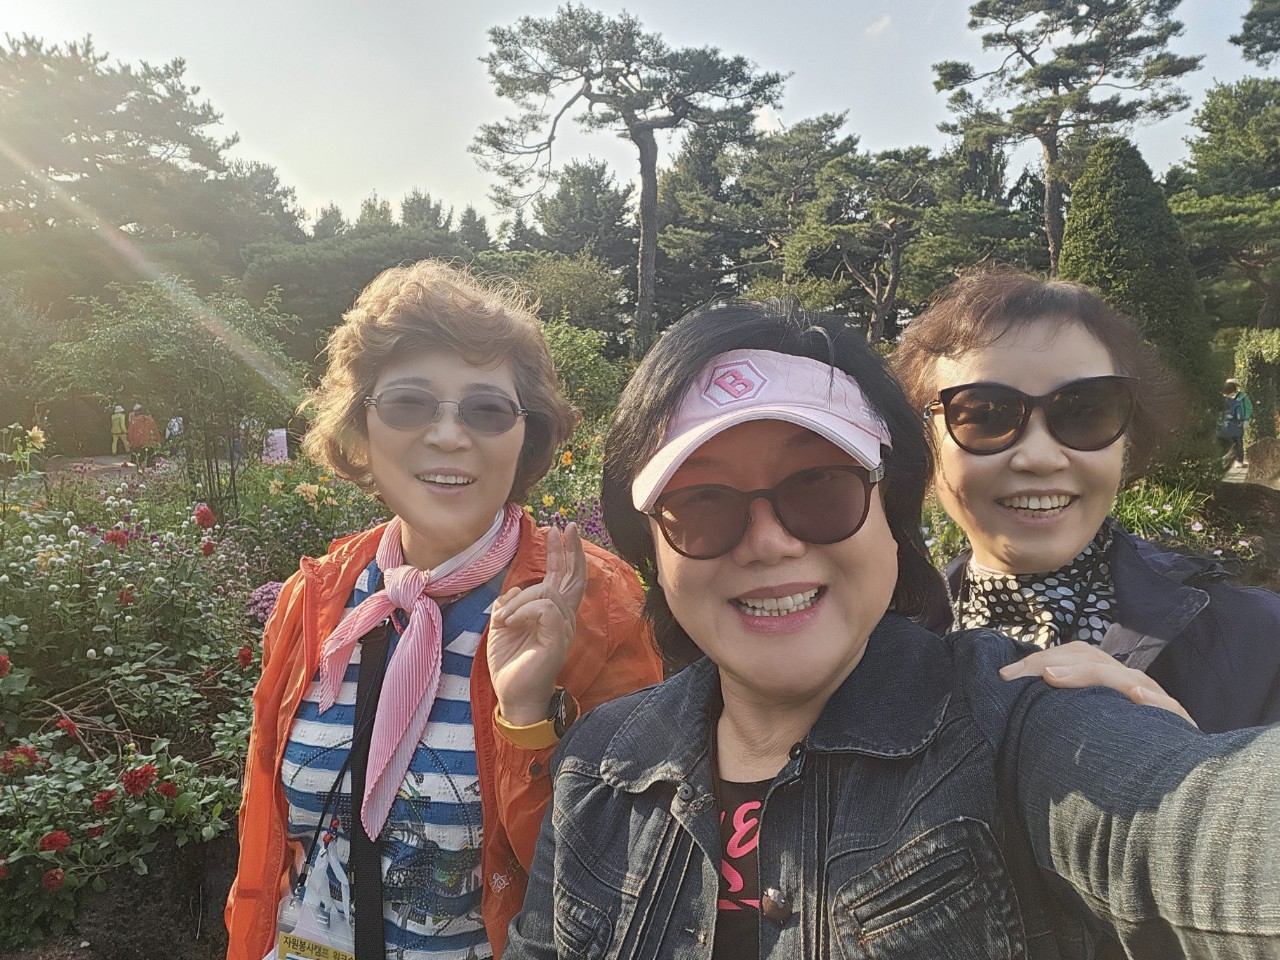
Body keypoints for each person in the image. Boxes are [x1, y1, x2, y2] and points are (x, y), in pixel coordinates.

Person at [504, 299, 1280, 960]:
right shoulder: (601, 765)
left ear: (892, 513)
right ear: (653, 550)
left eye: (820, 486)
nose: (769, 542)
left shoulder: (1013, 731)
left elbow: (1205, 828)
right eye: (702, 503)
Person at [224, 261, 663, 960]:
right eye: (409, 404)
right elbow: (270, 836)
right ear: (361, 431)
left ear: (526, 437)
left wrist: (529, 720)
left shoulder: (593, 604)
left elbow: (623, 874)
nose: (451, 436)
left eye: (486, 410)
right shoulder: (321, 598)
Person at [893, 269, 1280, 732]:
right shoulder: (880, 653)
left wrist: (1198, 763)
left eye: (1085, 411)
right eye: (984, 414)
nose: (1040, 457)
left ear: (1127, 439)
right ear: (923, 445)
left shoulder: (1257, 642)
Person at [1220, 377, 1250, 467]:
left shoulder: (1219, 402)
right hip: (1234, 428)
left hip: (1221, 428)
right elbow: (1239, 417)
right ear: (1233, 391)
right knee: (1238, 443)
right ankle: (1239, 461)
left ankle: (1222, 461)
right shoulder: (1237, 402)